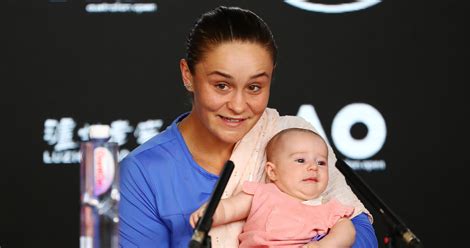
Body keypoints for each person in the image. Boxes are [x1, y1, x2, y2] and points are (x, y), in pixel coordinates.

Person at [119, 5, 377, 248]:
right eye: (221, 85)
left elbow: (362, 236)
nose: (239, 106)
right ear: (188, 75)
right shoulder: (144, 172)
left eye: (254, 87)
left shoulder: (295, 140)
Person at [190, 128, 356, 247]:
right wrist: (209, 214)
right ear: (272, 171)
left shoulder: (328, 209)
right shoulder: (262, 194)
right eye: (300, 160)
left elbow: (347, 231)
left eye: (321, 162)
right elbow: (230, 208)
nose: (313, 167)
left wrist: (324, 245)